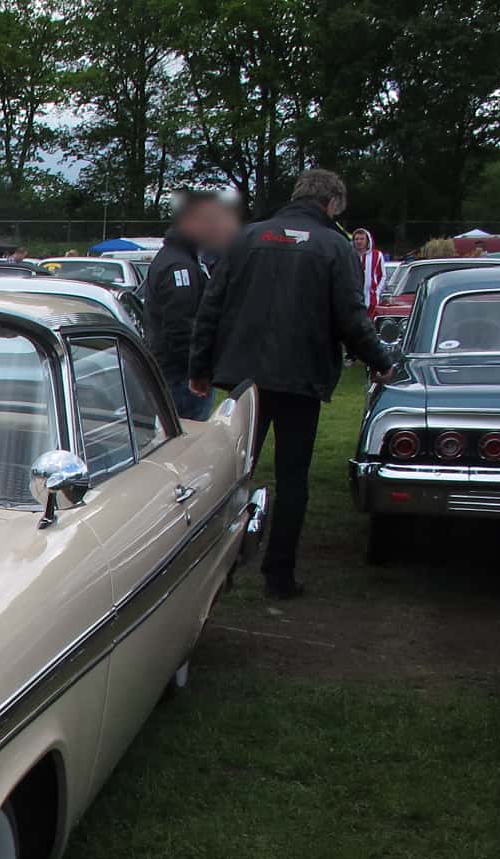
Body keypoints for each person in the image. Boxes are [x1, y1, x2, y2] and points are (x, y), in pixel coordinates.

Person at [189, 169, 397, 600]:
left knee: (231, 471)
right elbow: (351, 317)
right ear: (333, 204)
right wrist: (381, 362)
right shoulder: (335, 246)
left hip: (245, 378)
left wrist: (200, 367)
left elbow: (212, 306)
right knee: (292, 478)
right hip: (300, 378)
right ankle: (278, 573)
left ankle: (211, 567)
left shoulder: (247, 238)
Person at [146, 192, 241, 421]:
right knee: (189, 435)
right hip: (179, 375)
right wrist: (198, 370)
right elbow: (181, 326)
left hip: (173, 370)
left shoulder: (177, 260)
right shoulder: (180, 268)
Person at [352, 228, 386, 307]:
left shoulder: (377, 255)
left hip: (371, 299)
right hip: (353, 298)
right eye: (356, 239)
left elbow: (382, 276)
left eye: (362, 239)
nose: (359, 241)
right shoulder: (349, 255)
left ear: (367, 240)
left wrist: (377, 291)